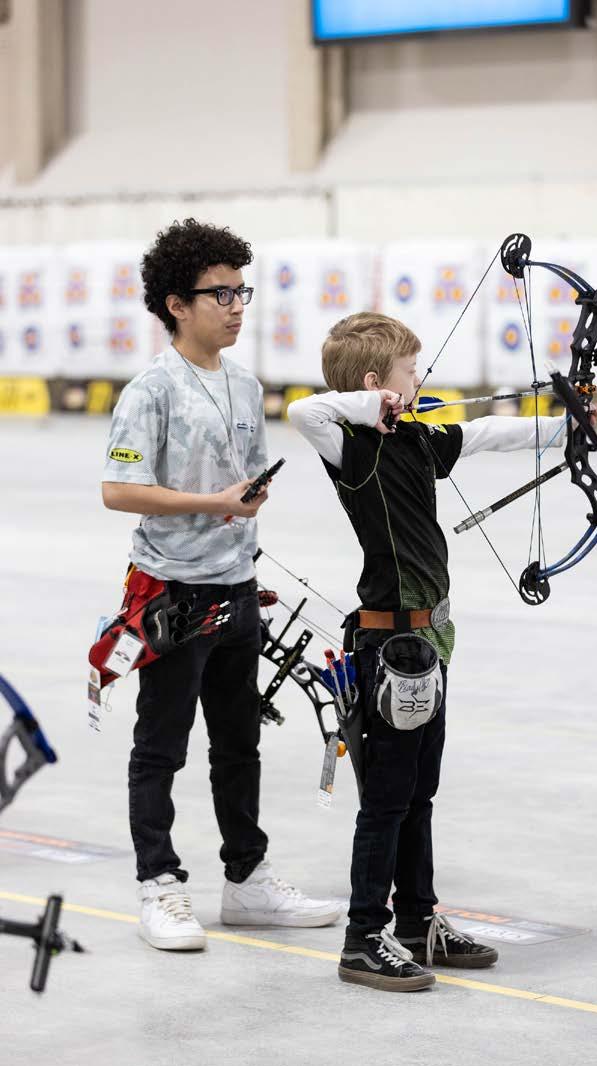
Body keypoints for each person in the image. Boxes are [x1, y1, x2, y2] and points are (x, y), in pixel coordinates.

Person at [288, 312, 569, 991]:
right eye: (410, 372)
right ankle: (362, 939)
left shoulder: (415, 439)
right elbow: (302, 411)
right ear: (374, 383)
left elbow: (485, 433)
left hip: (428, 643)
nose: (420, 381)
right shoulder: (352, 449)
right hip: (391, 644)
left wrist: (569, 428)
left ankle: (417, 923)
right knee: (386, 800)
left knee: (419, 794)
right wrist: (371, 407)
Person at [101, 219, 339, 951]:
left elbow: (245, 479)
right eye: (220, 294)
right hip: (172, 594)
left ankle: (247, 880)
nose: (237, 307)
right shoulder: (151, 390)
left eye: (242, 291)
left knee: (239, 743)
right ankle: (159, 884)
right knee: (161, 746)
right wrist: (214, 502)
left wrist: (246, 499)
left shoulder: (244, 383)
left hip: (237, 587)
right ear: (177, 304)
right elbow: (119, 490)